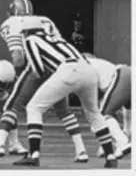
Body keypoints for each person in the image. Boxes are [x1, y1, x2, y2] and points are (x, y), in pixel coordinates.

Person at [0, 0, 88, 163]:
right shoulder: (46, 20)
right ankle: (81, 150)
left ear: (12, 11)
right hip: (58, 67)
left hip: (36, 65)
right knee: (63, 110)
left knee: (12, 104)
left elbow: (18, 58)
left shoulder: (11, 23)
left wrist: (19, 78)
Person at [11, 26, 117, 168]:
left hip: (68, 70)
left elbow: (37, 69)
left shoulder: (31, 40)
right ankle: (110, 155)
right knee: (93, 112)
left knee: (33, 108)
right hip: (88, 69)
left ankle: (34, 154)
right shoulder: (58, 39)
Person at [83, 53, 131, 158]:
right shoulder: (100, 65)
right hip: (127, 75)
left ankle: (123, 142)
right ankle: (120, 142)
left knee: (101, 116)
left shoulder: (84, 66)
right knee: (126, 114)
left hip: (122, 76)